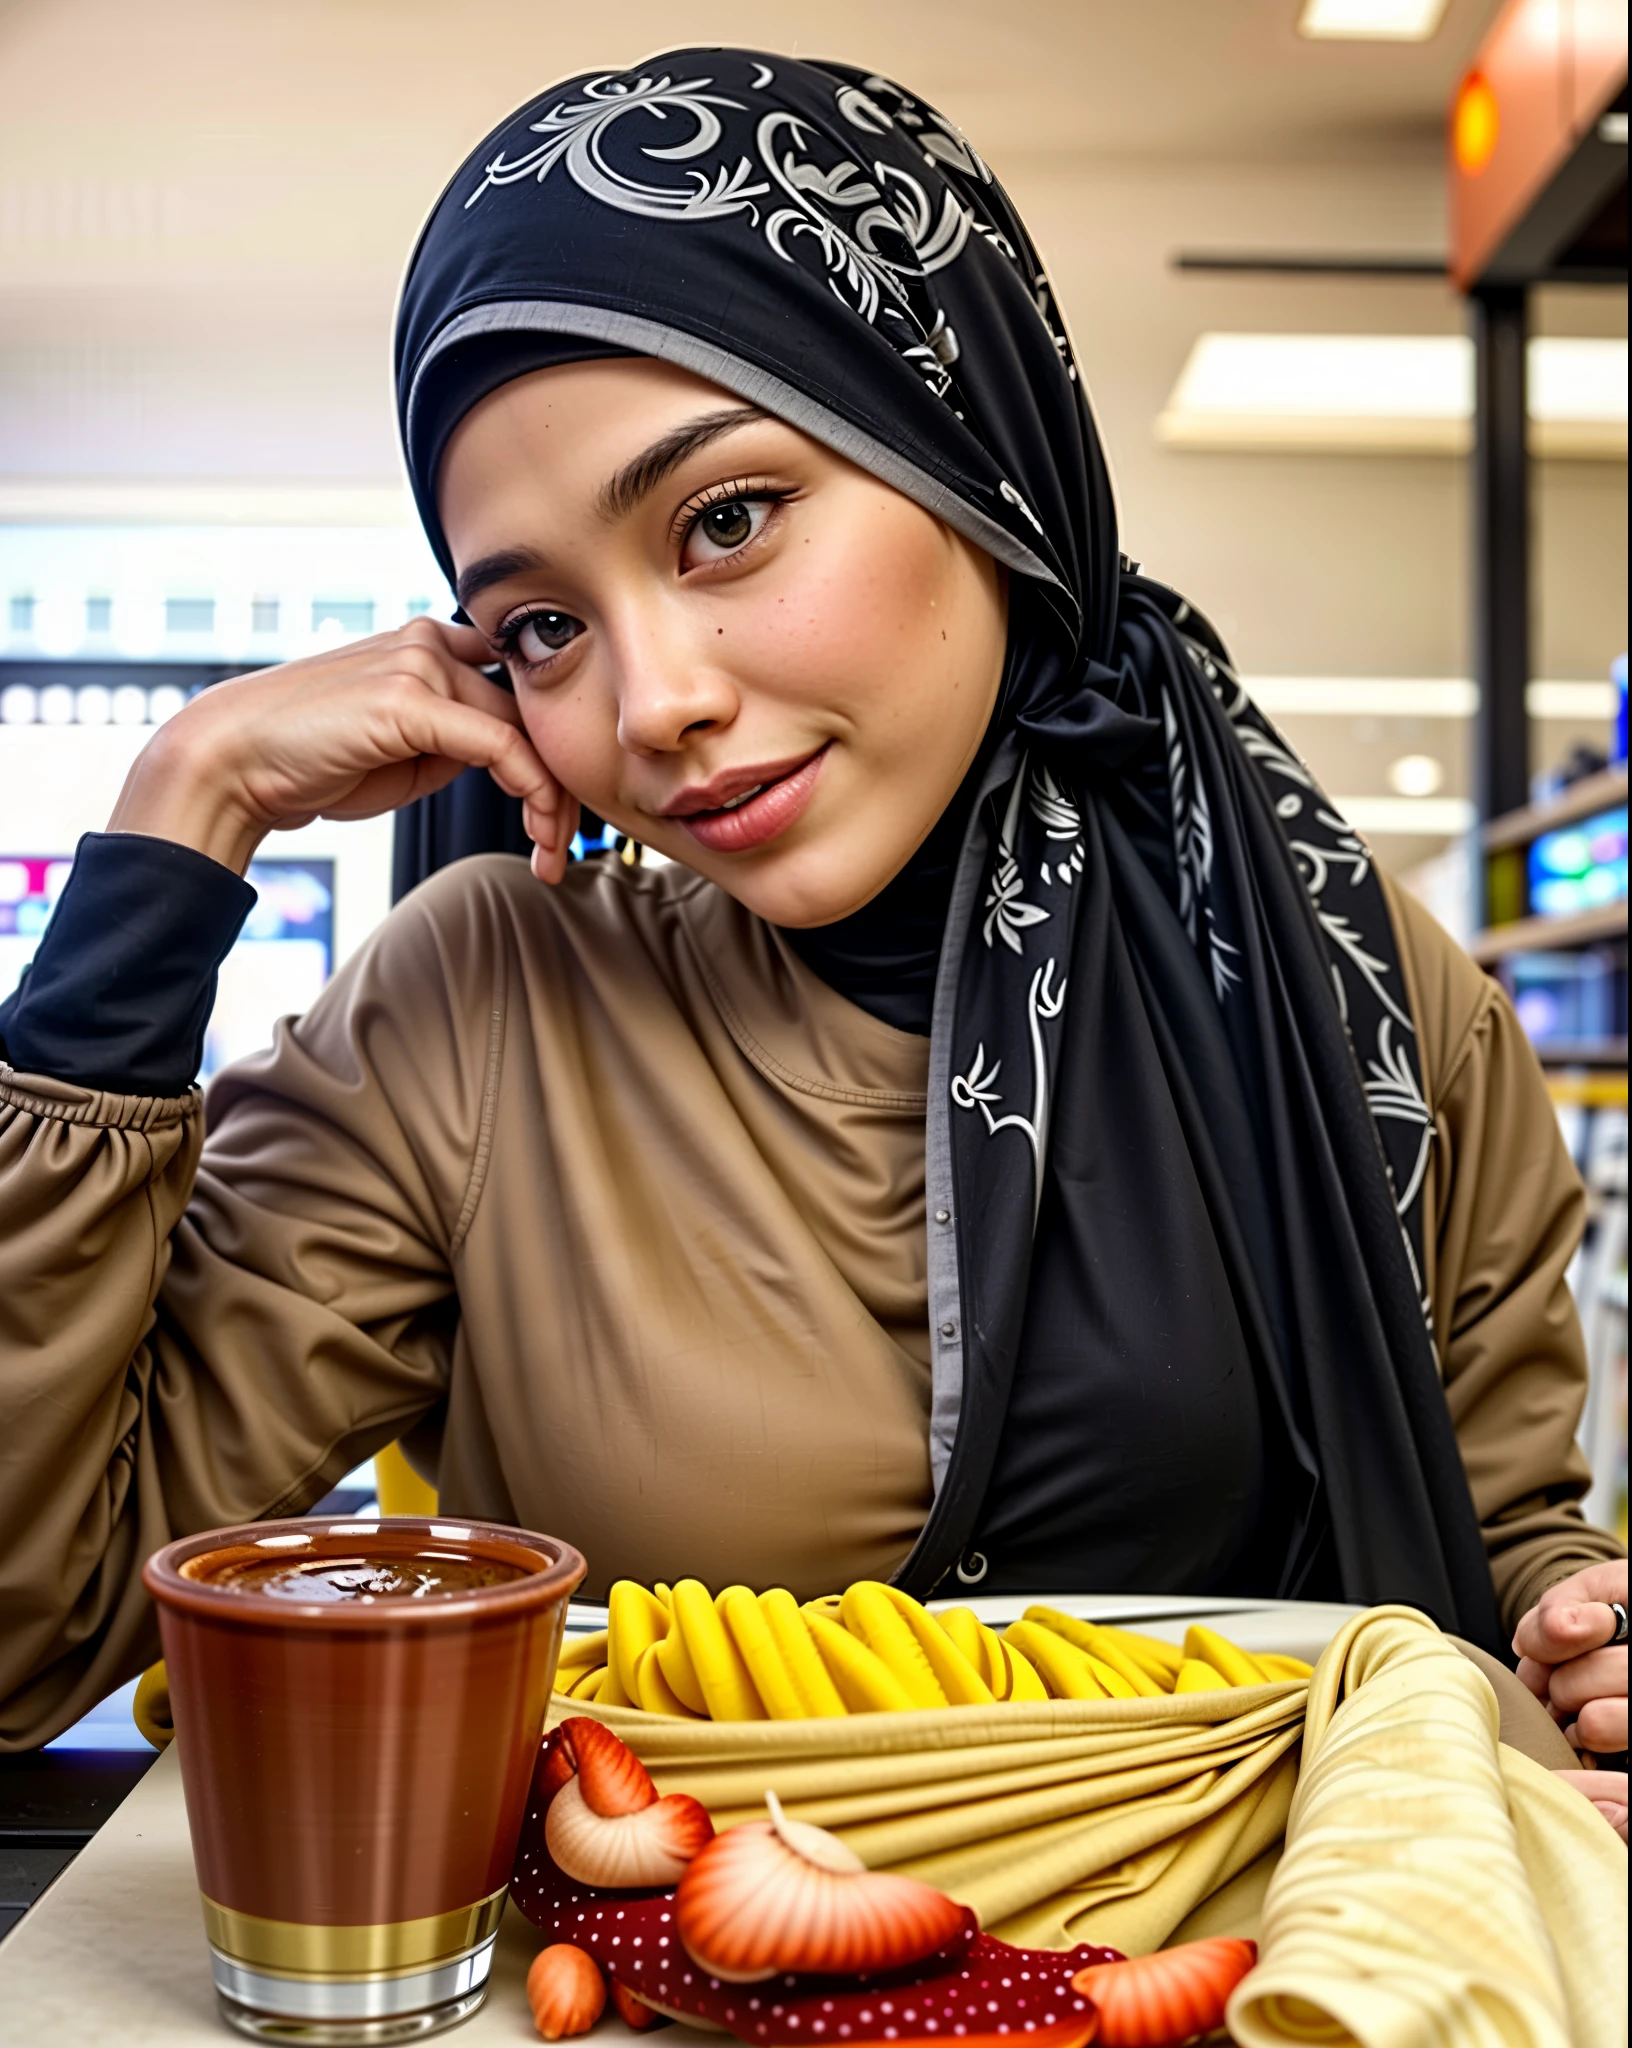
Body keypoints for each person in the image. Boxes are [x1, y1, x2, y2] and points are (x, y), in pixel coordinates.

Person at [0, 52, 1623, 1818]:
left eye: (725, 521)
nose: (656, 703)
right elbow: (35, 1624)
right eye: (540, 627)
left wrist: (1571, 1622)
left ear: (973, 460)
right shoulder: (481, 1014)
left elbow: (1494, 1519)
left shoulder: (1344, 976)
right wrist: (182, 813)